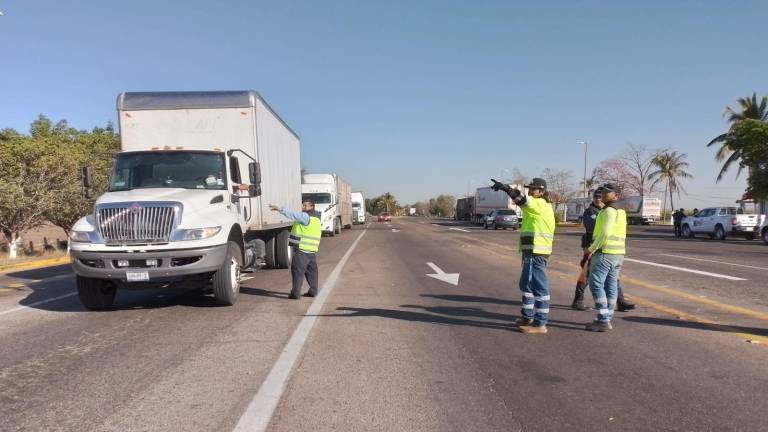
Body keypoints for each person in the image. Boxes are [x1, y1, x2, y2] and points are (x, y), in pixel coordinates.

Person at [491, 177, 555, 335]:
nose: (531, 191)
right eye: (530, 189)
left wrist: (507, 189)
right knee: (526, 284)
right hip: (530, 251)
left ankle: (540, 323)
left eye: (534, 189)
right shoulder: (533, 207)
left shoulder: (540, 204)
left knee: (538, 286)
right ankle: (528, 317)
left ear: (542, 191)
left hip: (537, 252)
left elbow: (522, 200)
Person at [571, 189, 635, 311]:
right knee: (587, 275)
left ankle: (620, 302)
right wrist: (589, 250)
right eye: (596, 198)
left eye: (600, 197)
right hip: (592, 246)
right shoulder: (590, 212)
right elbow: (594, 228)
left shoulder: (608, 211)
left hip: (604, 249)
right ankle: (578, 300)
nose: (599, 199)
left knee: (612, 278)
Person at [584, 183, 627, 332]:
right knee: (611, 285)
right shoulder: (621, 211)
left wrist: (591, 249)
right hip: (618, 255)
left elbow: (605, 234)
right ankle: (607, 317)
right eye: (602, 192)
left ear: (616, 195)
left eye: (607, 193)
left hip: (605, 253)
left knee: (595, 284)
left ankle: (603, 319)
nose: (603, 194)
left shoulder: (609, 211)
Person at [269, 200, 322, 299]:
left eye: (305, 205)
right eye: (303, 205)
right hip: (312, 251)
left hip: (302, 250)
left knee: (298, 272)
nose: (303, 207)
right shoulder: (317, 219)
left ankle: (296, 294)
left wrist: (280, 209)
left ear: (312, 206)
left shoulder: (306, 217)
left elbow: (292, 214)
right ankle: (313, 291)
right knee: (312, 272)